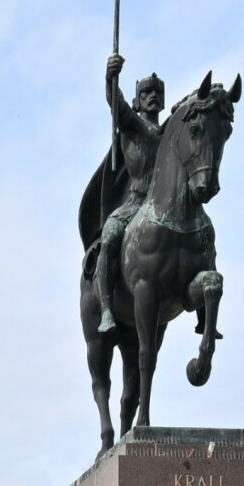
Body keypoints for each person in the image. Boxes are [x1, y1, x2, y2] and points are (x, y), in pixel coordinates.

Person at [96, 54, 165, 334]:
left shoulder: (168, 132)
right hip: (136, 201)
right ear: (138, 101)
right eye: (146, 92)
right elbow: (116, 103)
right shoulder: (131, 124)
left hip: (163, 204)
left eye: (156, 92)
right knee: (110, 235)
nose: (152, 96)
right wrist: (111, 78)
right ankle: (106, 309)